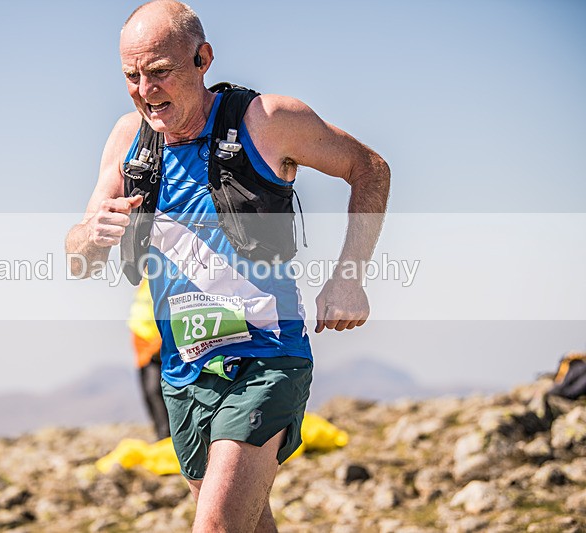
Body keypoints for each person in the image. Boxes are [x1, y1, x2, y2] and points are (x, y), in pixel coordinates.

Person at [65, 1, 390, 531]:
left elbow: (370, 168)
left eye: (161, 73)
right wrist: (89, 236)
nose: (146, 90)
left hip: (267, 358)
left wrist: (349, 276)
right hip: (184, 372)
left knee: (215, 526)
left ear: (203, 59)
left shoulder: (268, 121)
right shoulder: (128, 141)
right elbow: (79, 257)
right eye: (132, 76)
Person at [128, 277, 170, 440]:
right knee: (149, 394)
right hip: (143, 347)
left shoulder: (161, 276)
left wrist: (158, 344)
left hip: (157, 345)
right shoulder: (144, 280)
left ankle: (167, 437)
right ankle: (162, 437)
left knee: (156, 391)